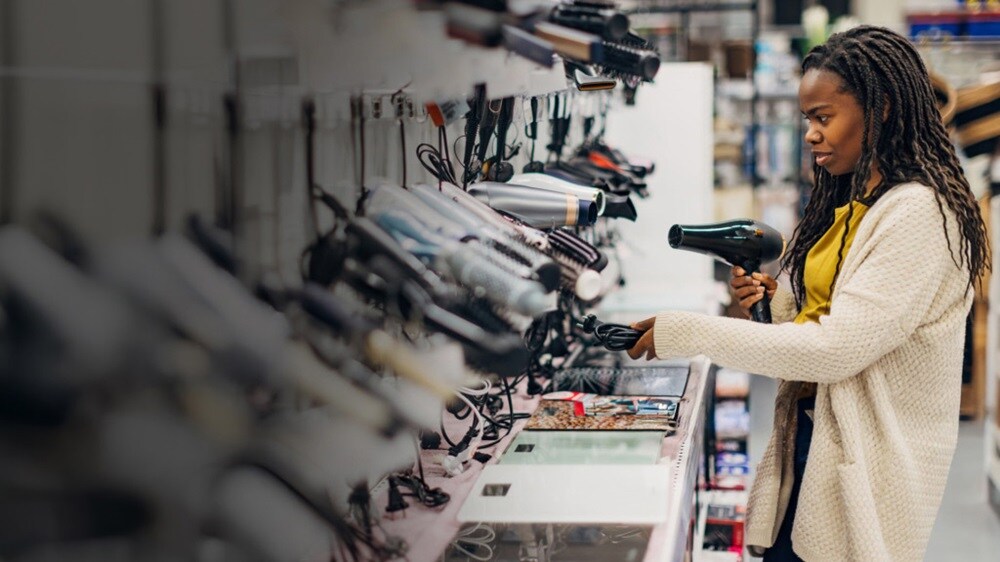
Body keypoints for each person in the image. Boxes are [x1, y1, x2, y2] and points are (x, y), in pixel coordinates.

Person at [627, 25, 990, 562]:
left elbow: (835, 349)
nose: (812, 135)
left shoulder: (919, 213)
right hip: (813, 440)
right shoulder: (847, 203)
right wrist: (772, 303)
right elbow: (820, 320)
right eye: (808, 120)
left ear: (882, 108)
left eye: (824, 118)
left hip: (865, 465)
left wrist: (687, 331)